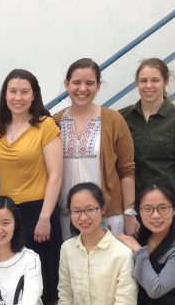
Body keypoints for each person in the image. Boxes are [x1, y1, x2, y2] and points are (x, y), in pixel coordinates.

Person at [0, 68, 62, 304]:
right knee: (13, 282)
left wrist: (45, 217)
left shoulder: (45, 125)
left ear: (34, 95)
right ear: (5, 95)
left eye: (24, 92)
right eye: (12, 91)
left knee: (42, 283)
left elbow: (55, 175)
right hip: (7, 214)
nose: (18, 97)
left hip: (38, 212)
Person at [54, 58, 137, 240]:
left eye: (90, 83)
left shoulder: (114, 120)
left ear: (98, 85)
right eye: (76, 82)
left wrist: (129, 212)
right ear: (67, 84)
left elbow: (127, 170)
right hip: (68, 216)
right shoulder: (55, 122)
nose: (82, 89)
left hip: (108, 216)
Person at [120, 58, 175, 232]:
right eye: (143, 81)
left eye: (155, 80)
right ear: (137, 83)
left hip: (167, 207)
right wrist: (128, 211)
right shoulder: (123, 117)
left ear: (165, 81)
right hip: (134, 209)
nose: (148, 86)